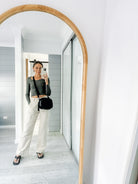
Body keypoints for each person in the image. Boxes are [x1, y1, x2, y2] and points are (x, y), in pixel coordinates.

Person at [13, 61, 51, 165]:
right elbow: (26, 94)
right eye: (37, 68)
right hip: (33, 103)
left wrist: (47, 81)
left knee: (42, 128)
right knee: (27, 129)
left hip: (44, 102)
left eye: (40, 68)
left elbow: (48, 93)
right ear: (33, 68)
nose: (38, 70)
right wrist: (30, 104)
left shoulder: (45, 78)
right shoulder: (29, 79)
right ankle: (19, 152)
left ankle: (40, 150)